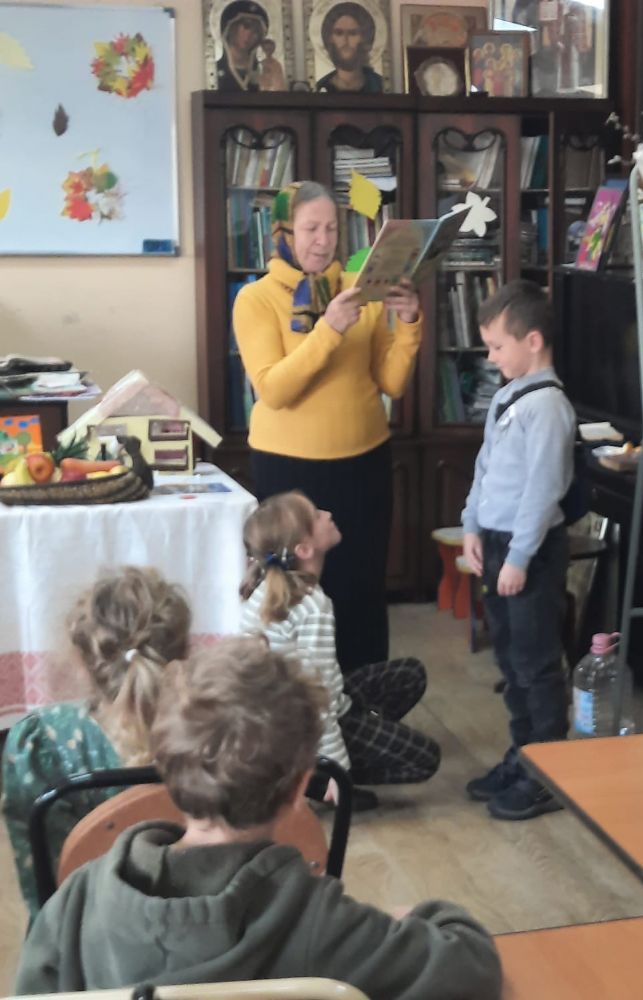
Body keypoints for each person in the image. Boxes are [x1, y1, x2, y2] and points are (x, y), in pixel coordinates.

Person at [13, 638, 503, 998]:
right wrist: (422, 915)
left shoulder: (77, 903)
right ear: (299, 787)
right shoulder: (319, 921)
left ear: (165, 768)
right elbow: (472, 967)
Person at [233, 180, 421, 672]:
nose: (323, 241)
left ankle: (367, 698)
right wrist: (329, 329)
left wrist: (409, 323)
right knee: (294, 594)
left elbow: (391, 382)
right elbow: (274, 389)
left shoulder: (362, 291)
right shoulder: (256, 299)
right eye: (310, 229)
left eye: (332, 229)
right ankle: (298, 702)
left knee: (362, 588)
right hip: (289, 471)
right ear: (283, 233)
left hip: (365, 463)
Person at [1, 567, 190, 920]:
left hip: (91, 937)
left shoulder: (43, 743)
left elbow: (44, 891)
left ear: (82, 661)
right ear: (184, 651)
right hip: (218, 929)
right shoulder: (225, 730)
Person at [240, 490, 440, 806]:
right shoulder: (312, 606)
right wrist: (337, 765)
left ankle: (352, 741)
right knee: (425, 758)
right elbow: (316, 696)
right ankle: (317, 780)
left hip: (290, 714)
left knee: (410, 674)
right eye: (316, 515)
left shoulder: (268, 585)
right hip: (302, 723)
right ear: (304, 549)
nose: (328, 513)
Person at [461, 280, 576, 821]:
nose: (490, 358)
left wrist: (520, 557)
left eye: (497, 346)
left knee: (535, 661)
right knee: (510, 658)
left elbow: (542, 489)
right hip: (496, 541)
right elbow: (485, 467)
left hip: (528, 549)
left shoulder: (548, 406)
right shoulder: (509, 397)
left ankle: (549, 770)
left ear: (532, 341)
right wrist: (471, 525)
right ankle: (524, 752)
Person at [315, 3, 384, 94]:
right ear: (330, 38)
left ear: (364, 37)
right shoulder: (321, 87)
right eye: (339, 33)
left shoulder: (379, 85)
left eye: (353, 33)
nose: (345, 40)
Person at [215, 0, 268, 93]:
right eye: (246, 26)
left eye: (256, 31)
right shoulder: (215, 70)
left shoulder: (262, 71)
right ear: (230, 27)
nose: (250, 34)